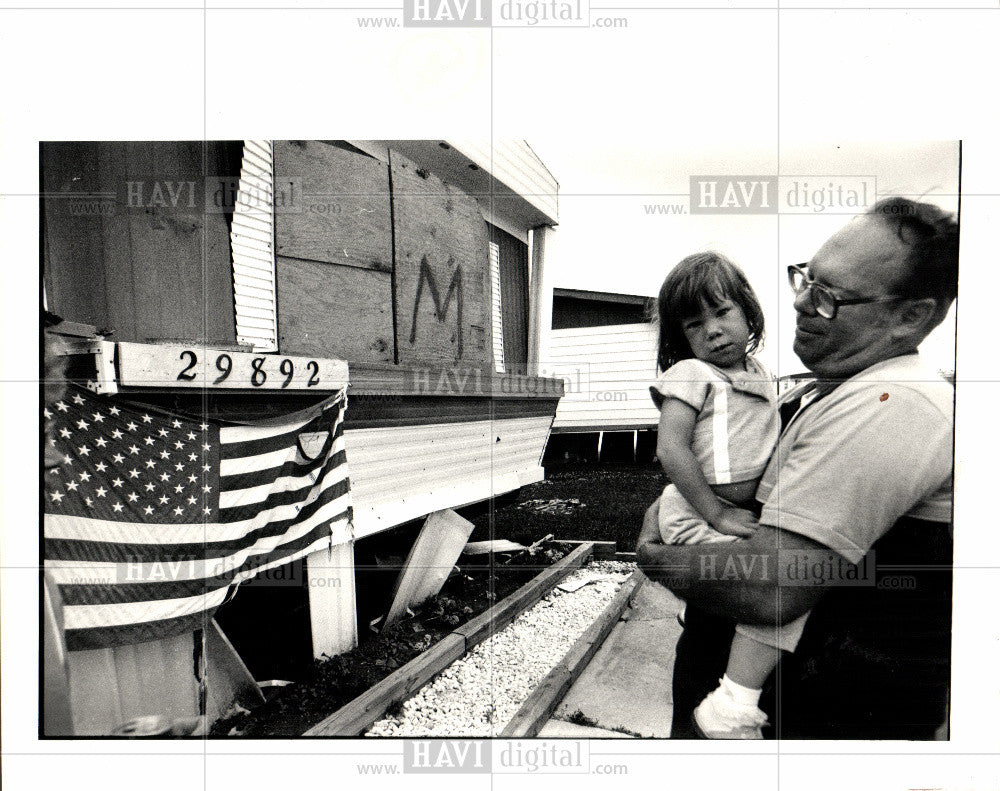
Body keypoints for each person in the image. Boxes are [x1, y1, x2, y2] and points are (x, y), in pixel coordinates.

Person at [637, 197, 957, 739]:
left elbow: (774, 586)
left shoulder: (890, 403)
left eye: (830, 297)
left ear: (911, 316)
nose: (803, 304)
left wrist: (656, 559)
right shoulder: (830, 388)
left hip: (806, 724)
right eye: (806, 280)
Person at [649, 252, 807, 738]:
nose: (713, 330)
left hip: (736, 510)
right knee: (778, 593)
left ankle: (711, 630)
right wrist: (715, 513)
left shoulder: (762, 375)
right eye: (695, 324)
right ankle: (733, 707)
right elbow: (670, 448)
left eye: (722, 313)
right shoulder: (693, 376)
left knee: (764, 592)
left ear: (749, 312)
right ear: (682, 338)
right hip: (698, 511)